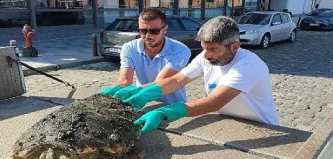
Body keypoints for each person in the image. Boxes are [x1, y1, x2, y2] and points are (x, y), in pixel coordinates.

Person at [104, 16, 280, 134]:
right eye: (204, 48)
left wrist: (166, 112)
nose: (207, 54)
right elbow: (177, 80)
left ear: (234, 47)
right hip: (226, 121)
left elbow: (215, 102)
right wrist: (146, 92)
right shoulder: (205, 57)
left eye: (213, 49)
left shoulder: (248, 65)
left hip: (262, 127)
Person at [101, 8, 191, 105]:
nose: (148, 36)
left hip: (171, 105)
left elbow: (160, 83)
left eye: (154, 31)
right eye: (143, 31)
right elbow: (125, 81)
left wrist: (132, 92)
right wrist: (107, 96)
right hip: (141, 101)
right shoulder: (130, 48)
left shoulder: (180, 50)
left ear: (165, 29)